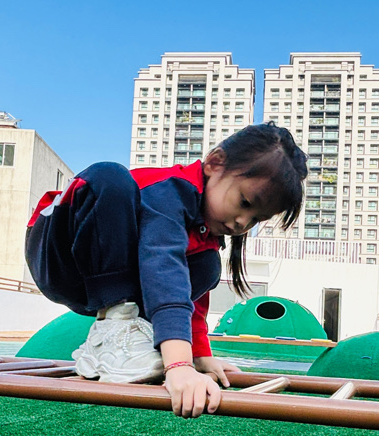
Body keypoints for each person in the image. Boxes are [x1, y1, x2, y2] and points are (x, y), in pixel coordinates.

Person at [26, 123, 307, 419]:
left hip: (101, 278)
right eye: (245, 203)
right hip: (59, 250)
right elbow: (163, 269)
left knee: (207, 266)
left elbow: (189, 296)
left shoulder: (205, 233)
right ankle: (114, 327)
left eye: (255, 219)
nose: (242, 222)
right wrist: (179, 365)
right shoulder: (170, 193)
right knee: (108, 175)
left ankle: (122, 335)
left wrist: (199, 355)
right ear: (214, 163)